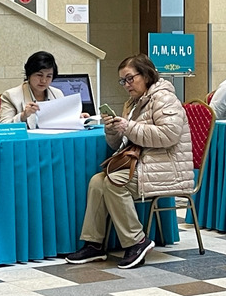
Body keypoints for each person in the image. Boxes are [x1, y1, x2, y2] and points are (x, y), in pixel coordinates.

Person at [65, 54, 194, 268]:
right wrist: (113, 129)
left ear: (146, 75)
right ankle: (94, 244)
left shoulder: (164, 98)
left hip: (167, 167)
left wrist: (129, 127)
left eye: (130, 78)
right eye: (122, 81)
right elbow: (120, 144)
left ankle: (137, 241)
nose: (126, 85)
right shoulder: (134, 102)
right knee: (98, 181)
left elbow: (169, 135)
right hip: (144, 164)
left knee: (114, 182)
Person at [0, 51, 88, 128]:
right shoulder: (11, 96)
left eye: (48, 76)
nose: (44, 80)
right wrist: (23, 116)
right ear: (29, 74)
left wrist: (77, 118)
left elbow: (62, 120)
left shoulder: (57, 94)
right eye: (39, 75)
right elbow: (3, 127)